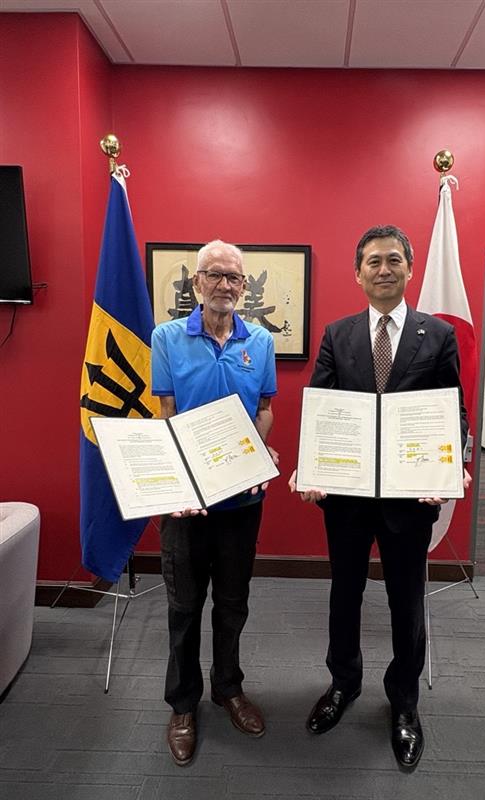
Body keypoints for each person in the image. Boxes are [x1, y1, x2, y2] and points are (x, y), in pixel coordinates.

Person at [290, 224, 469, 770]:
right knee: (344, 595)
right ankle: (343, 684)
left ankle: (404, 702)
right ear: (358, 272)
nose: (384, 269)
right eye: (373, 261)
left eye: (394, 260)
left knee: (405, 601)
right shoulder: (337, 334)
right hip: (345, 495)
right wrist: (309, 463)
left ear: (410, 269)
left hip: (409, 498)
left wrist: (456, 461)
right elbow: (320, 407)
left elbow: (452, 410)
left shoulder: (437, 335)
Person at [151, 240, 277, 766]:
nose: (226, 284)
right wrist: (175, 482)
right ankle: (183, 704)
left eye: (235, 277)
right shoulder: (167, 338)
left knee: (232, 602)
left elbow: (265, 409)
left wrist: (259, 449)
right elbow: (166, 411)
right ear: (197, 282)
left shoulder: (261, 342)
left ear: (244, 287)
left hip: (240, 502)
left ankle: (227, 688)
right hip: (185, 502)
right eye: (215, 275)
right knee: (183, 606)